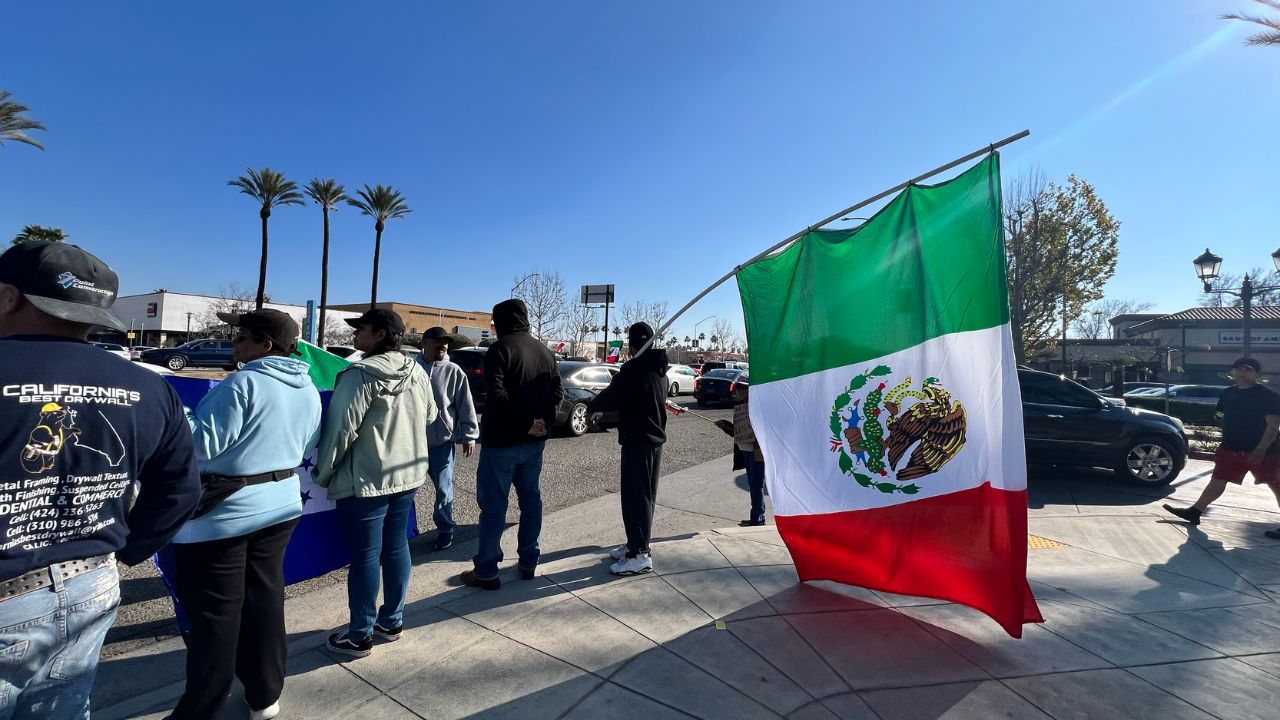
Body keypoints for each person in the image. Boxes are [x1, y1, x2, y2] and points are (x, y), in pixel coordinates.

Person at [0, 241, 201, 720]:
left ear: (8, 297)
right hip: (91, 582)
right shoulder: (150, 387)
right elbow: (181, 490)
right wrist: (126, 549)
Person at [166, 309, 323, 720]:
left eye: (242, 338)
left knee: (216, 619)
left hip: (224, 515)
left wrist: (177, 409)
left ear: (265, 346)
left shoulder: (242, 382)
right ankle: (265, 696)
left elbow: (201, 447)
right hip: (282, 505)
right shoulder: (307, 385)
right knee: (265, 603)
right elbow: (311, 440)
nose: (234, 345)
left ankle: (202, 709)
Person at [316, 309, 435, 657]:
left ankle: (359, 633)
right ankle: (392, 620)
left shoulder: (360, 375)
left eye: (361, 330)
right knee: (396, 547)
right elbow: (430, 415)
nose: (355, 336)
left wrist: (323, 473)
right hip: (408, 475)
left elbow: (341, 430)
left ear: (380, 334)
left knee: (366, 555)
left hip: (367, 479)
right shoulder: (417, 370)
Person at [460, 299, 562, 590]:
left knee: (494, 506)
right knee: (531, 500)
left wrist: (524, 422)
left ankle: (487, 570)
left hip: (502, 441)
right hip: (534, 443)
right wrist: (543, 421)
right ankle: (529, 560)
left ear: (502, 321)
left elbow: (496, 393)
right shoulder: (544, 351)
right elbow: (558, 391)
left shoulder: (499, 350)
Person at [1164, 357, 1280, 538]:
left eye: (1248, 369)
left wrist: (1261, 449)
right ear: (1233, 372)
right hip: (1230, 448)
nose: (1242, 372)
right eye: (1239, 369)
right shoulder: (1228, 393)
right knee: (1218, 480)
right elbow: (1222, 417)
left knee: (1276, 484)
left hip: (1261, 451)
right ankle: (1195, 511)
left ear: (1257, 374)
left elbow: (1273, 426)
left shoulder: (1267, 396)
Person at [588, 322, 669, 576]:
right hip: (650, 442)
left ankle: (641, 554)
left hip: (639, 442)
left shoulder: (634, 369)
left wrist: (592, 406)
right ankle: (634, 544)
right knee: (640, 497)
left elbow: (613, 395)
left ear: (633, 344)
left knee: (638, 498)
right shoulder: (659, 371)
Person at [419, 327, 479, 552]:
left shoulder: (454, 371)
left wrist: (469, 435)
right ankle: (399, 534)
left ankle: (445, 530)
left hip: (442, 443)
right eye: (438, 341)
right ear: (424, 343)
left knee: (443, 490)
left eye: (446, 342)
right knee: (404, 493)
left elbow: (465, 404)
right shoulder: (411, 368)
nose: (443, 345)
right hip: (411, 444)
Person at [715, 382, 767, 527]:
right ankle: (757, 516)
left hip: (755, 451)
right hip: (745, 449)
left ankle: (758, 517)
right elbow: (738, 431)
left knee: (756, 485)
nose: (739, 393)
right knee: (754, 484)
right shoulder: (742, 407)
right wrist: (724, 425)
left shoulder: (757, 407)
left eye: (741, 390)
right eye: (738, 391)